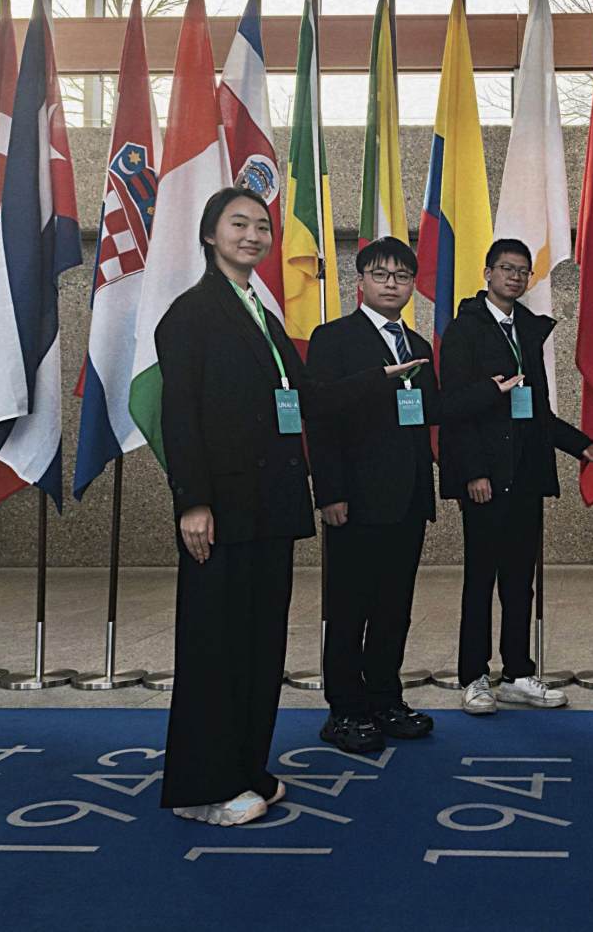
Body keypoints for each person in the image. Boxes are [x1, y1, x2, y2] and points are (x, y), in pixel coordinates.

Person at [157, 188, 415, 825]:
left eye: (262, 226)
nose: (253, 235)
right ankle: (201, 790)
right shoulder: (191, 313)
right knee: (216, 649)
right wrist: (192, 501)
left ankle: (247, 768)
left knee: (259, 647)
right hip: (220, 510)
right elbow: (179, 418)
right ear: (210, 235)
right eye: (238, 224)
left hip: (268, 508)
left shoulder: (262, 315)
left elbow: (307, 397)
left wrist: (378, 379)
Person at [439, 238, 593, 715]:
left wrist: (581, 445)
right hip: (485, 480)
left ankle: (517, 673)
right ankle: (474, 676)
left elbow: (537, 411)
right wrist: (474, 472)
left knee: (520, 582)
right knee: (480, 581)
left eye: (522, 271)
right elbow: (455, 409)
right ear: (487, 273)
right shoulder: (464, 330)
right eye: (506, 269)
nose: (514, 277)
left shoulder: (528, 330)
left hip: (526, 476)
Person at [305, 238, 459, 753]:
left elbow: (429, 410)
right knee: (350, 609)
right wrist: (330, 492)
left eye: (401, 276)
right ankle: (344, 710)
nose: (391, 284)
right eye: (380, 274)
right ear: (361, 282)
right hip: (354, 500)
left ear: (412, 284)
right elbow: (319, 417)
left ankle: (385, 700)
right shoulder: (333, 338)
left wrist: (488, 392)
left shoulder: (415, 345)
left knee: (395, 609)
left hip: (408, 498)